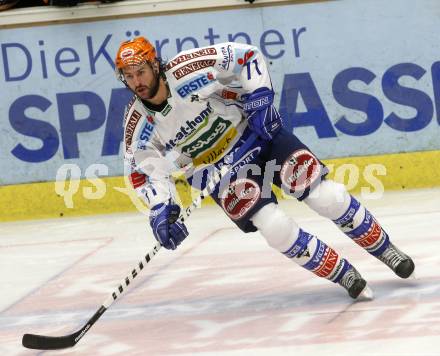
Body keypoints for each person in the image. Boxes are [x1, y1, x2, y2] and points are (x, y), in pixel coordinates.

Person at [114, 36, 415, 299]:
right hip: (218, 171)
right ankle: (343, 274)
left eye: (140, 71)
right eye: (129, 76)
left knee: (327, 196)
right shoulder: (137, 122)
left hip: (256, 134)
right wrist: (161, 210)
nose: (136, 82)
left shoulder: (189, 68)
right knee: (275, 227)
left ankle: (385, 249)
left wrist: (259, 96)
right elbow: (142, 171)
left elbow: (247, 56)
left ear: (156, 66)